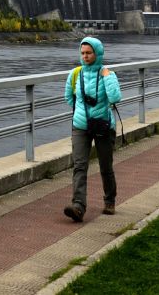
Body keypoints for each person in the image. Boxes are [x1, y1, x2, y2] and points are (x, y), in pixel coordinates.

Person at [63, 36, 122, 222]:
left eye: (89, 53)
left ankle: (110, 200)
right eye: (83, 53)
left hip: (103, 126)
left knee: (105, 166)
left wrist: (107, 78)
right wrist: (80, 113)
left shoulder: (108, 74)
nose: (85, 56)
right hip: (80, 126)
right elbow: (68, 98)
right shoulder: (74, 74)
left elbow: (115, 98)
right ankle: (78, 207)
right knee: (79, 166)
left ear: (97, 53)